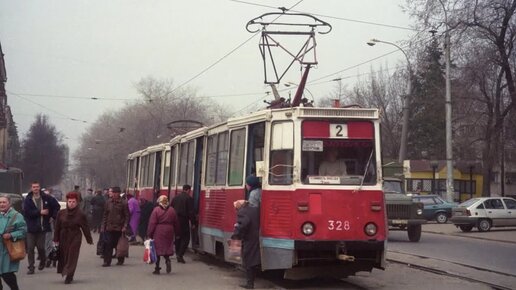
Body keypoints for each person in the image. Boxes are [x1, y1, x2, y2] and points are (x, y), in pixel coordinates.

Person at [53, 192, 94, 284]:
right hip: (63, 236)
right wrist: (55, 239)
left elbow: (85, 227)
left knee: (72, 256)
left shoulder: (81, 214)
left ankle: (69, 275)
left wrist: (89, 239)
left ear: (77, 203)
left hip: (75, 236)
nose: (71, 203)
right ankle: (67, 272)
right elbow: (57, 227)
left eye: (73, 202)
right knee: (65, 256)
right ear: (67, 202)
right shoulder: (61, 213)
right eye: (70, 201)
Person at [22, 181, 60, 275]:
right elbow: (27, 212)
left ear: (39, 187)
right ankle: (31, 267)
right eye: (34, 187)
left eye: (37, 186)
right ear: (31, 188)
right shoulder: (28, 199)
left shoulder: (47, 198)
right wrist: (39, 212)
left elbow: (57, 206)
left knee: (41, 248)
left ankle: (43, 260)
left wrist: (53, 216)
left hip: (42, 228)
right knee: (30, 249)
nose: (35, 188)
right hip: (31, 228)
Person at [147, 195, 180, 275]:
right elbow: (176, 222)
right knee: (167, 247)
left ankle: (157, 268)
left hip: (159, 231)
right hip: (170, 230)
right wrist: (177, 233)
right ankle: (167, 259)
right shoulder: (172, 210)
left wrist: (149, 234)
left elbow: (152, 223)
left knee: (157, 249)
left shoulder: (156, 210)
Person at [0, 194, 27, 290]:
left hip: (9, 250)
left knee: (7, 274)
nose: (2, 204)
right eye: (0, 202)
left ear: (9, 203)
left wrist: (11, 235)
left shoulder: (16, 216)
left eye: (4, 202)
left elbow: (23, 231)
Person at [232, 200, 260, 289]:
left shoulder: (242, 212)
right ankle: (250, 282)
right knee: (252, 260)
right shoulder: (255, 210)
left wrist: (235, 235)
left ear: (238, 207)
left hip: (248, 239)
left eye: (235, 209)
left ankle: (250, 284)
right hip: (256, 238)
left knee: (248, 261)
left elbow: (243, 224)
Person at [101, 187, 129, 267]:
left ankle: (120, 259)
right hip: (109, 227)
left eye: (115, 193)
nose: (113, 194)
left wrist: (125, 226)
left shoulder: (123, 203)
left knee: (119, 245)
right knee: (108, 244)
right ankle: (107, 261)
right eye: (113, 192)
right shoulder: (108, 202)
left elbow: (127, 216)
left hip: (119, 228)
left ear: (118, 193)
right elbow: (105, 215)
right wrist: (103, 226)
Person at [171, 184, 195, 264]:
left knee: (178, 237)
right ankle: (180, 254)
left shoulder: (175, 198)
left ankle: (177, 253)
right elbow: (191, 212)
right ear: (188, 190)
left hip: (175, 220)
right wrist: (193, 223)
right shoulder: (189, 199)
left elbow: (171, 208)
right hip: (184, 220)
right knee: (186, 238)